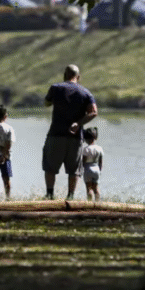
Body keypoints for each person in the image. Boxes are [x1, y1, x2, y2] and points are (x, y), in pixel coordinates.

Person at [42, 64, 98, 200]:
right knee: (74, 170)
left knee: (50, 167)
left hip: (56, 134)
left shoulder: (55, 88)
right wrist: (78, 124)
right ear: (78, 77)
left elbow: (46, 103)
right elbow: (94, 112)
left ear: (65, 75)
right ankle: (70, 196)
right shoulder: (86, 93)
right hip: (75, 136)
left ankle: (50, 194)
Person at [81, 127, 104, 201]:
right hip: (96, 168)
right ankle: (97, 204)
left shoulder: (86, 149)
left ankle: (90, 203)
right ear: (95, 138)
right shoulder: (99, 148)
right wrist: (100, 170)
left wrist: (81, 169)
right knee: (96, 189)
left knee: (89, 189)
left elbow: (83, 161)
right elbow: (100, 161)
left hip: (88, 169)